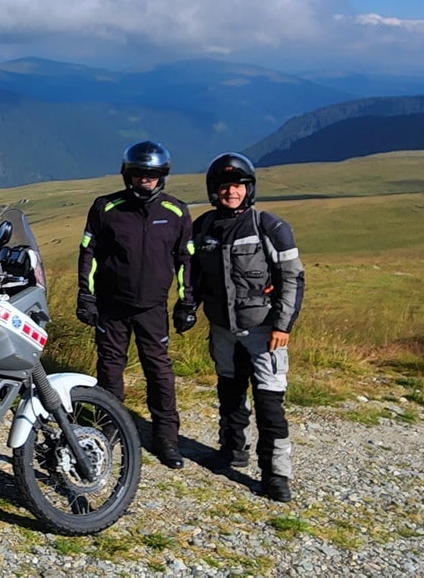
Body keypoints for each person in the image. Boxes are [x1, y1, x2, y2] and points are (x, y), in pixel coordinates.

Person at [178, 152, 304, 503]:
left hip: (265, 331)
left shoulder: (270, 226)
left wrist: (283, 324)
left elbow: (292, 277)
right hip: (221, 329)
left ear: (249, 189)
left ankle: (277, 474)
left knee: (269, 405)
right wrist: (188, 307)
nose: (231, 192)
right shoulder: (202, 228)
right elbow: (194, 276)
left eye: (238, 186)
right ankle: (232, 451)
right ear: (213, 191)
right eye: (224, 187)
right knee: (230, 395)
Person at [76, 141, 194, 469]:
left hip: (153, 309)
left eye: (152, 175)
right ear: (128, 175)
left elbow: (186, 259)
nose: (145, 180)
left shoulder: (176, 211)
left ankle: (166, 438)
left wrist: (187, 302)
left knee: (160, 371)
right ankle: (110, 428)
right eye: (139, 174)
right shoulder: (105, 208)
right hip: (112, 306)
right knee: (110, 369)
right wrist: (86, 296)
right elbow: (89, 254)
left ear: (162, 176)